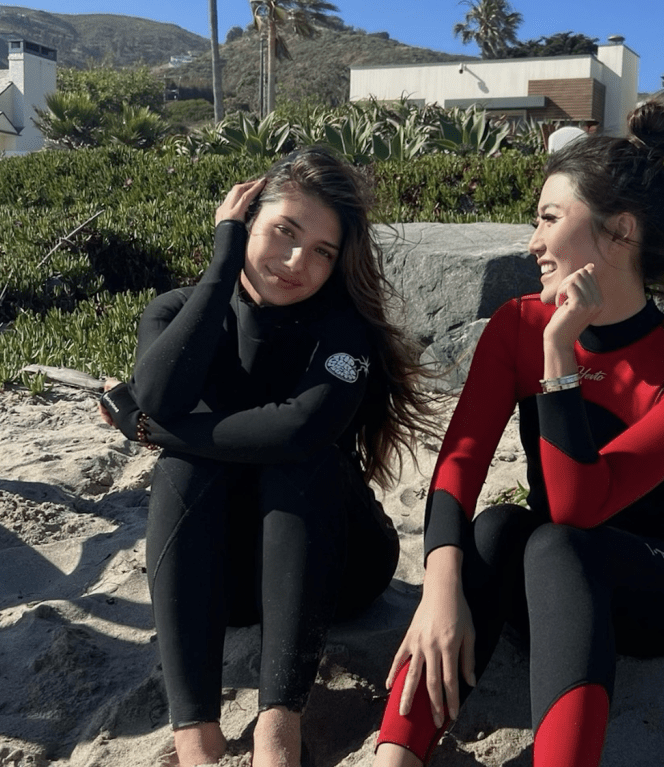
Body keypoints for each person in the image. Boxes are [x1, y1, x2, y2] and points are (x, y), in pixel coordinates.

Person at [373, 103, 664, 767]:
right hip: (556, 577)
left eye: (548, 218)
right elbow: (461, 458)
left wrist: (560, 352)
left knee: (561, 540)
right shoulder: (515, 322)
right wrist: (439, 589)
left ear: (619, 232)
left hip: (660, 585)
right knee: (497, 530)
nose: (532, 242)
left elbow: (578, 508)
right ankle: (393, 754)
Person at [99, 147, 436, 767]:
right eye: (284, 231)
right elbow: (159, 392)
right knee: (187, 469)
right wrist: (223, 263)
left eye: (322, 252)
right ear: (247, 219)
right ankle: (196, 739)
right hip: (227, 586)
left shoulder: (340, 329)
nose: (296, 262)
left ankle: (278, 731)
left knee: (297, 459)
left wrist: (150, 431)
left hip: (340, 568)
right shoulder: (177, 311)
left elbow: (296, 433)